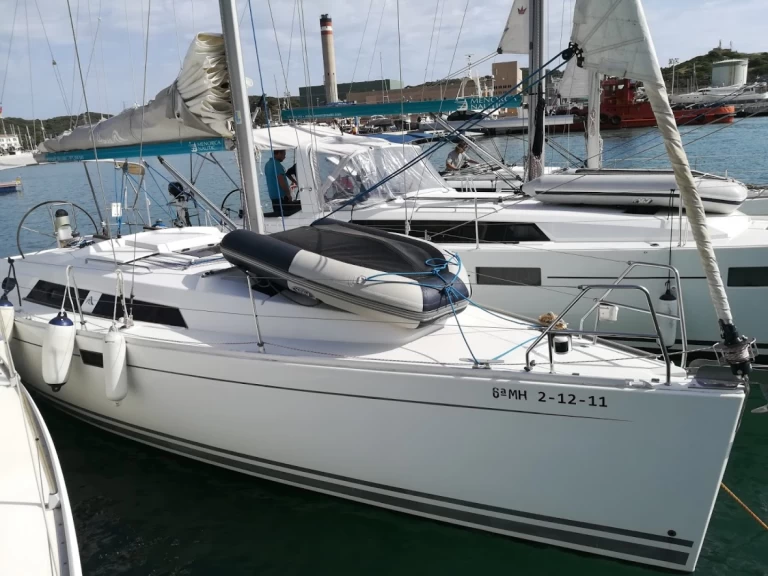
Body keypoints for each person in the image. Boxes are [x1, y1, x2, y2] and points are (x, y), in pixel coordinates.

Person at [264, 149, 301, 217]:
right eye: (284, 154)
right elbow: (281, 181)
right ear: (278, 153)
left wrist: (294, 181)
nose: (285, 157)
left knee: (278, 215)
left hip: (273, 196)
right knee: (287, 215)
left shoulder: (267, 164)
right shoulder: (277, 165)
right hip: (281, 197)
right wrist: (288, 194)